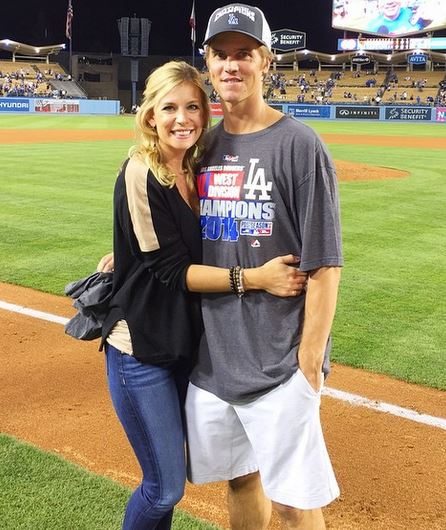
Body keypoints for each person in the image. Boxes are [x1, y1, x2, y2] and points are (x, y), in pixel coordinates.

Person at [98, 59, 307, 530]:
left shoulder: (199, 165)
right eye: (169, 107)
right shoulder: (141, 170)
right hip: (142, 349)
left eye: (193, 106)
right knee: (164, 487)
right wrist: (254, 279)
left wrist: (123, 252)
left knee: (172, 487)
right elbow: (170, 268)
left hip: (185, 346)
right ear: (149, 114)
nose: (182, 118)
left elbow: (186, 239)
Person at [184, 4, 343, 530]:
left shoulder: (300, 145)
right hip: (213, 359)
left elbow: (324, 262)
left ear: (266, 62)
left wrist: (309, 362)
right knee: (240, 479)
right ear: (206, 62)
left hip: (279, 363)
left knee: (295, 503)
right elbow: (180, 237)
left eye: (244, 54)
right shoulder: (201, 147)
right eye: (221, 54)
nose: (232, 65)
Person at [366, 0, 431, 35]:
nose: (389, 2)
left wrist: (428, 18)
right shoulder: (372, 26)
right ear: (378, 3)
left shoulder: (413, 13)